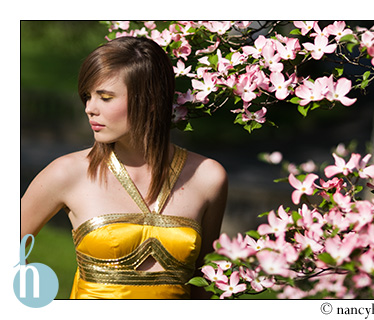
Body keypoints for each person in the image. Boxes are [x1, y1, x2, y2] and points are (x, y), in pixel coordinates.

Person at [20, 36, 228, 299]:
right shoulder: (66, 173)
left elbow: (204, 283)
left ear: (151, 100)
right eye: (87, 96)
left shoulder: (208, 177)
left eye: (105, 97)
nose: (89, 108)